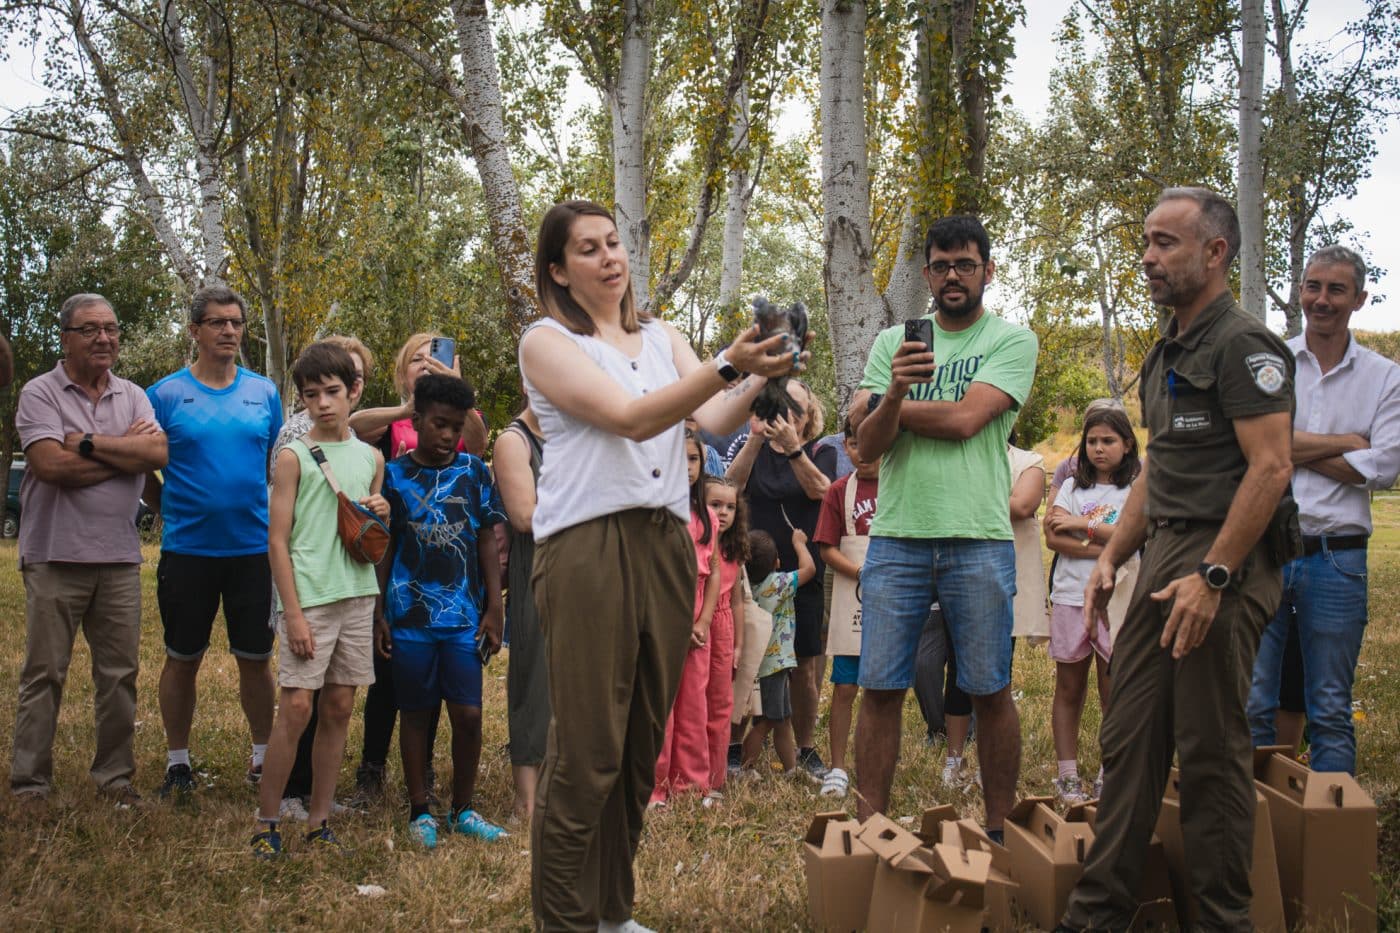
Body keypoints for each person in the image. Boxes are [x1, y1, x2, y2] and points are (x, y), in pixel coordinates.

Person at [520, 199, 798, 933]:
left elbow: (708, 417)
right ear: (558, 270)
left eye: (614, 242)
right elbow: (632, 417)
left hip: (669, 542)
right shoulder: (546, 343)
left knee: (640, 746)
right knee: (587, 751)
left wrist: (762, 374)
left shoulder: (662, 337)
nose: (610, 257)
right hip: (586, 547)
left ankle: (612, 913)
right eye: (588, 249)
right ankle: (565, 920)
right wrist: (728, 363)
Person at [1058, 188, 1294, 932]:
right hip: (1163, 553)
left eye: (1166, 243)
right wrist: (1113, 557)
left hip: (1225, 558)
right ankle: (1098, 913)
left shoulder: (1242, 345)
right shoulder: (1170, 345)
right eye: (1147, 243)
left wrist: (1215, 577)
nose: (1149, 258)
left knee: (1209, 749)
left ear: (1216, 252)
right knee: (1129, 738)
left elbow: (1271, 468)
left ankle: (1226, 920)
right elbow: (1159, 469)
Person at [847, 215, 1038, 839]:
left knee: (989, 689)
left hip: (978, 536)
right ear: (925, 273)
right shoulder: (892, 345)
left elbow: (965, 421)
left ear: (987, 270)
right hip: (898, 535)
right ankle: (871, 833)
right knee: (879, 687)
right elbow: (868, 448)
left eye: (965, 263)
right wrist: (893, 395)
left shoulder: (1012, 340)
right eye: (940, 265)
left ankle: (1000, 832)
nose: (952, 275)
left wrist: (883, 406)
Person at [10, 293, 167, 815]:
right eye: (90, 329)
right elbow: (51, 467)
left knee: (119, 675)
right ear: (66, 338)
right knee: (44, 673)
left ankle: (116, 778)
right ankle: (30, 784)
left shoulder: (134, 395)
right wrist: (123, 452)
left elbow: (156, 454)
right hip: (54, 555)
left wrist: (87, 442)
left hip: (120, 558)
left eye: (111, 328)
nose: (104, 338)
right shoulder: (39, 392)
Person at [1247, 244, 1400, 775]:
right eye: (1313, 286)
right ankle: (1256, 844)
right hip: (1266, 551)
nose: (1322, 299)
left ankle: (1330, 843)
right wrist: (1345, 444)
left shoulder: (1384, 377)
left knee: (1331, 710)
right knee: (1253, 705)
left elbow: (1382, 468)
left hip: (1338, 559)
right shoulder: (1272, 363)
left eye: (1336, 289)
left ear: (1359, 298)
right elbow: (1253, 446)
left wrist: (1288, 446)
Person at [250, 342, 387, 858]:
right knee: (296, 707)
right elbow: (277, 540)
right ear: (301, 399)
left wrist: (381, 511)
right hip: (308, 599)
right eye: (312, 395)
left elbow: (367, 533)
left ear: (354, 392)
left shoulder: (372, 458)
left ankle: (319, 820)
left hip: (356, 594)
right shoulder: (292, 456)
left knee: (339, 706)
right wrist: (294, 614)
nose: (324, 404)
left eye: (333, 392)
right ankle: (268, 821)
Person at [146, 285, 282, 799]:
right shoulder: (164, 395)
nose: (229, 331)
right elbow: (145, 465)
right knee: (183, 657)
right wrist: (166, 508)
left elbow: (275, 461)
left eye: (236, 322)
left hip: (252, 549)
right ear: (194, 330)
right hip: (188, 552)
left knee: (255, 657)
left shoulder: (263, 393)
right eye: (217, 322)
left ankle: (264, 757)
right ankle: (177, 762)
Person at [376, 373, 508, 849]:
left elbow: (487, 542)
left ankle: (463, 809)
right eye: (438, 424)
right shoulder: (392, 475)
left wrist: (495, 608)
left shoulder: (474, 473)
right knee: (414, 712)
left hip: (463, 618)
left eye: (455, 427)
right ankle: (419, 810)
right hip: (409, 615)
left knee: (469, 715)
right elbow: (385, 548)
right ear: (416, 422)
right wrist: (378, 612)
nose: (448, 435)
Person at [347, 332, 474, 804]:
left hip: (445, 579)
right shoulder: (394, 422)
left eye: (433, 358)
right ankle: (372, 766)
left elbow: (475, 442)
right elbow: (351, 425)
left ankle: (422, 776)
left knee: (434, 687)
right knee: (386, 680)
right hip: (397, 569)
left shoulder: (455, 421)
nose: (426, 364)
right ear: (403, 373)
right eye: (415, 360)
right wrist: (408, 408)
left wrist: (455, 388)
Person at [726, 380, 837, 781]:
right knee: (745, 661)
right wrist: (755, 441)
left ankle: (805, 748)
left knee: (804, 665)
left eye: (797, 407)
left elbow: (822, 492)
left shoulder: (820, 452)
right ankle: (734, 747)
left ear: (810, 416)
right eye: (781, 404)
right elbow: (729, 490)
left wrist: (792, 448)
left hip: (800, 572)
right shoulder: (749, 447)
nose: (787, 412)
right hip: (749, 574)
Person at [1043, 404, 1141, 804]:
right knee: (1068, 687)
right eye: (1092, 441)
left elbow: (1134, 535)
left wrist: (1081, 526)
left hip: (1118, 598)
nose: (1099, 449)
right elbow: (1053, 538)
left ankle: (1109, 768)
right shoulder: (1072, 486)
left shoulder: (1135, 488)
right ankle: (1067, 774)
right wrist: (1108, 544)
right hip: (1069, 596)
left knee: (1112, 686)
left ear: (1128, 444)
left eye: (1109, 441)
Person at [650, 432, 722, 806]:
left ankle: (691, 785)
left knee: (694, 703)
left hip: (696, 622)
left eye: (693, 460)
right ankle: (654, 786)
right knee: (660, 706)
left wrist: (704, 621)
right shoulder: (655, 513)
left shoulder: (708, 516)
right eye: (680, 459)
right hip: (663, 617)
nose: (688, 467)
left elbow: (713, 574)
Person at [812, 422, 879, 799]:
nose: (863, 452)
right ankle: (838, 766)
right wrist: (860, 572)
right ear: (846, 447)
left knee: (885, 688)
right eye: (855, 444)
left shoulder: (902, 487)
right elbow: (827, 548)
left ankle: (875, 759)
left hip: (895, 601)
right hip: (853, 599)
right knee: (845, 684)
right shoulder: (839, 492)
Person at [493, 397, 550, 823]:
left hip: (584, 568)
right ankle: (525, 801)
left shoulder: (575, 434)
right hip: (539, 571)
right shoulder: (514, 441)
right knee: (534, 681)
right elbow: (525, 516)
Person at [739, 527, 816, 777]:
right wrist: (799, 543)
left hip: (758, 664)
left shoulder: (745, 587)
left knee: (782, 719)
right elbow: (809, 570)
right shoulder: (778, 583)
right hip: (776, 665)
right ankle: (745, 768)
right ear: (777, 562)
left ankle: (791, 769)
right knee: (768, 721)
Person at [701, 475, 748, 793]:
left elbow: (737, 601)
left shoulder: (734, 551)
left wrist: (739, 646)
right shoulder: (696, 543)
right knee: (693, 701)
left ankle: (715, 776)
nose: (723, 512)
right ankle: (691, 773)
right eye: (715, 504)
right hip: (696, 625)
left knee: (720, 703)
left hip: (723, 627)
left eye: (730, 507)